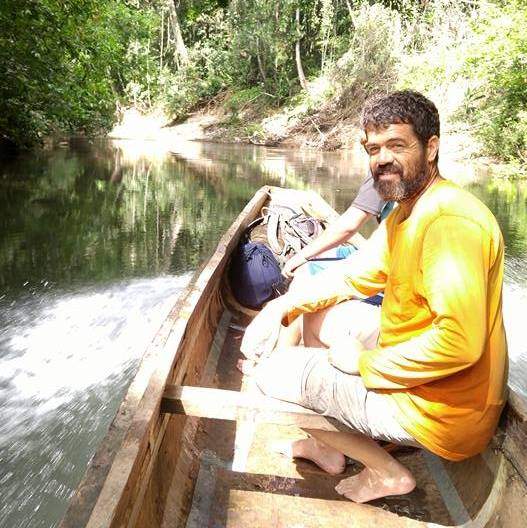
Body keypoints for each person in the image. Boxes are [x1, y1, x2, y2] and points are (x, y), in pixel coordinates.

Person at [240, 90, 508, 503]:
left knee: (264, 375)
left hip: (444, 413)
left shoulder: (450, 223)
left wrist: (364, 364)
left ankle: (386, 473)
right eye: (373, 148)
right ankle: (331, 446)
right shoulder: (408, 211)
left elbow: (459, 343)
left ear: (431, 147)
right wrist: (282, 306)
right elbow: (353, 276)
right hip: (422, 375)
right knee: (317, 315)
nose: (382, 158)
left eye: (396, 145)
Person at [281, 173, 393, 279]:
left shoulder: (386, 167)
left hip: (391, 261)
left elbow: (351, 224)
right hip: (379, 250)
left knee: (303, 271)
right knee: (320, 255)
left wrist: (301, 257)